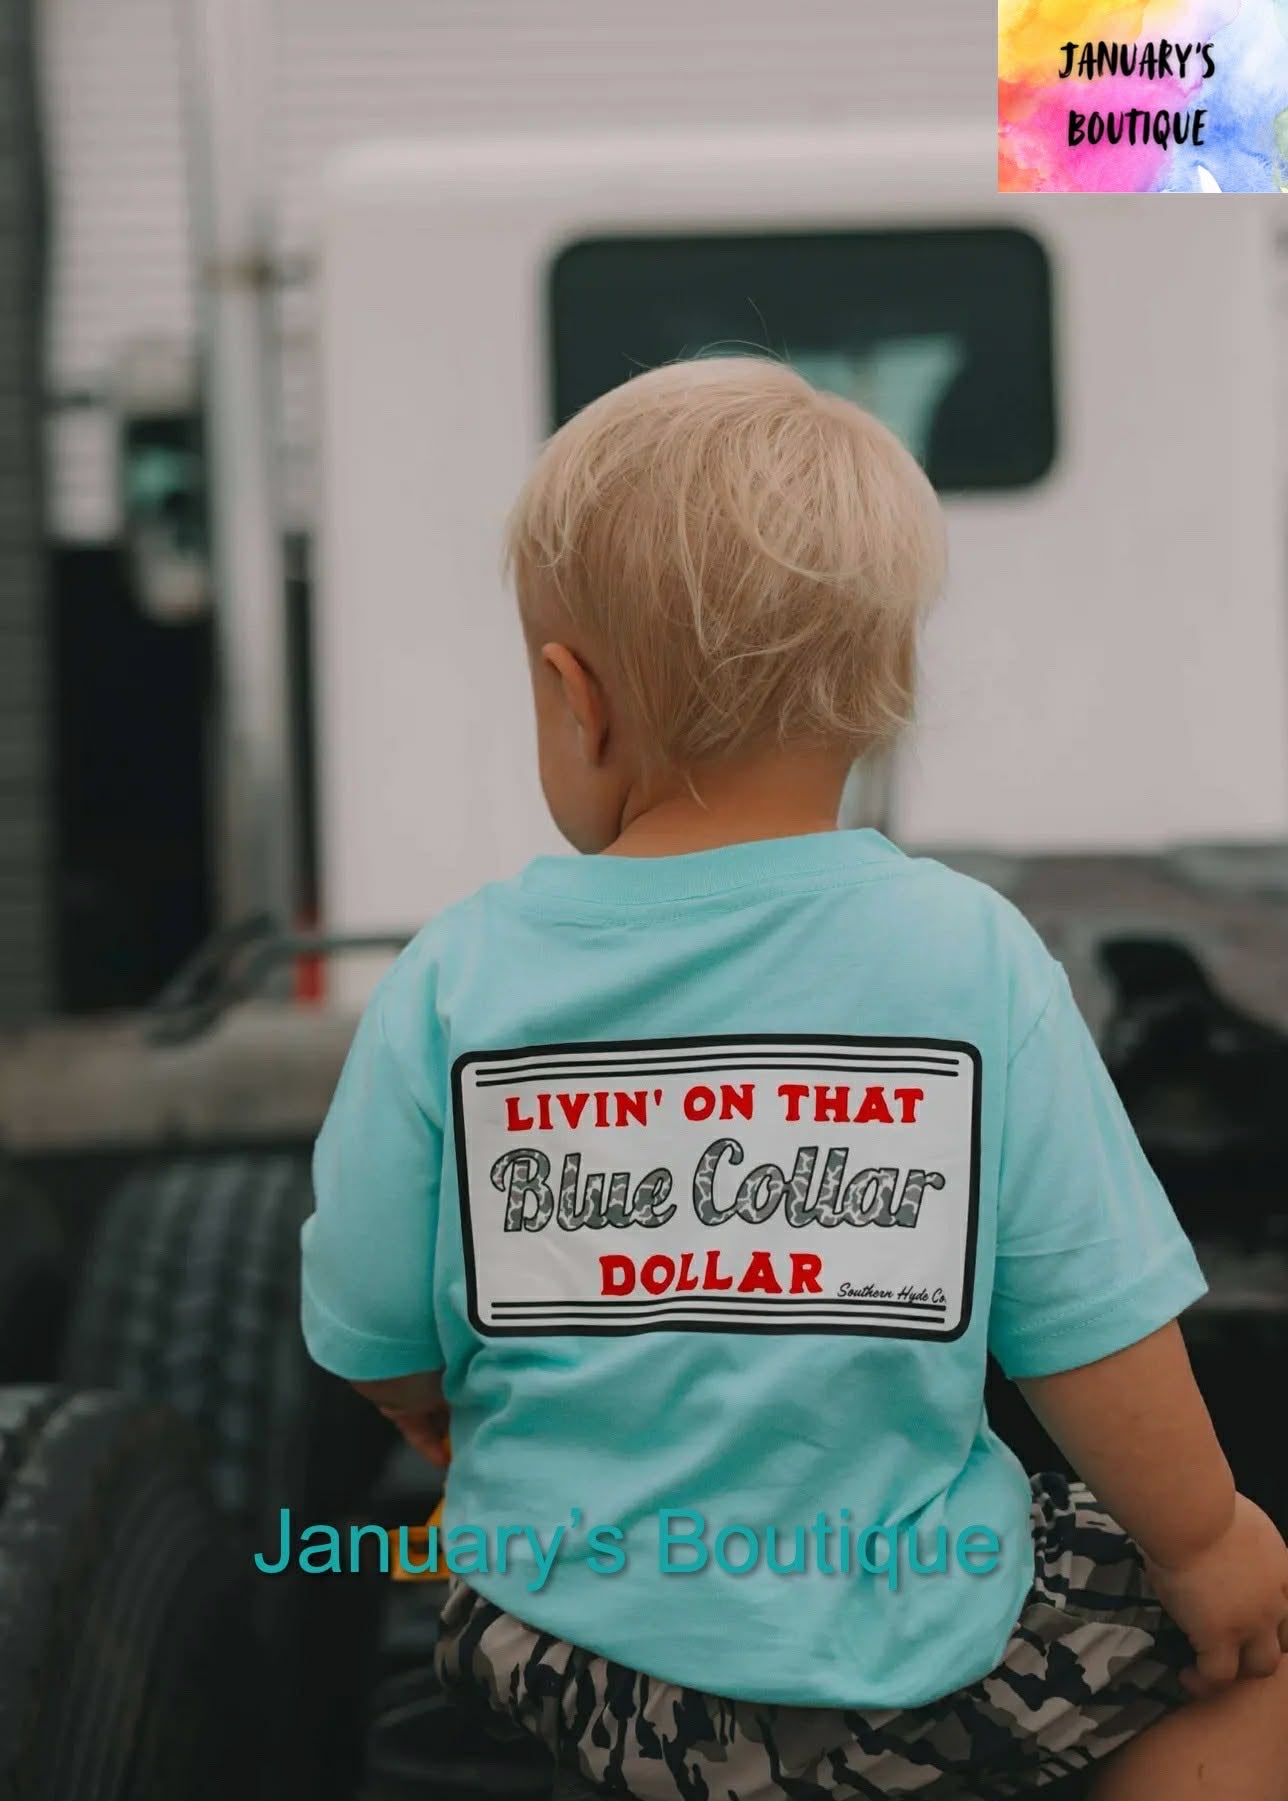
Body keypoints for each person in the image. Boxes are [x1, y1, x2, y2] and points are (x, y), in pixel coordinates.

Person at [300, 357, 1288, 1799]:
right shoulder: (972, 958)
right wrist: (1208, 1544)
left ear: (575, 700)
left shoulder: (455, 974)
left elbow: (370, 1314)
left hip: (559, 1657)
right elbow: (1093, 1326)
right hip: (907, 1655)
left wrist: (432, 1414)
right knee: (1244, 1668)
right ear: (878, 705)